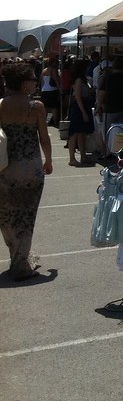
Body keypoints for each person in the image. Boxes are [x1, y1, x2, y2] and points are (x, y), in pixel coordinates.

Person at [0, 61, 54, 280]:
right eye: (32, 79)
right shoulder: (36, 107)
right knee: (26, 215)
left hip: (5, 167)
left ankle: (18, 256)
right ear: (23, 84)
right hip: (30, 167)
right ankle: (21, 263)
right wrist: (48, 160)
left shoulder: (1, 104)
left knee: (7, 215)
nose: (35, 82)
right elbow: (44, 137)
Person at [67, 59, 96, 167]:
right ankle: (72, 158)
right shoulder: (79, 80)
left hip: (85, 104)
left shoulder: (84, 79)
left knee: (82, 132)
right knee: (74, 132)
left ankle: (83, 155)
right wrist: (83, 112)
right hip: (80, 106)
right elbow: (78, 96)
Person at [39, 54, 61, 127]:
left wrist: (41, 90)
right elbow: (56, 79)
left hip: (44, 90)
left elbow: (41, 81)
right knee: (54, 107)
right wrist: (60, 88)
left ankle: (43, 122)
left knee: (45, 107)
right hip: (52, 90)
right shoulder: (53, 70)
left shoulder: (44, 70)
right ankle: (55, 122)